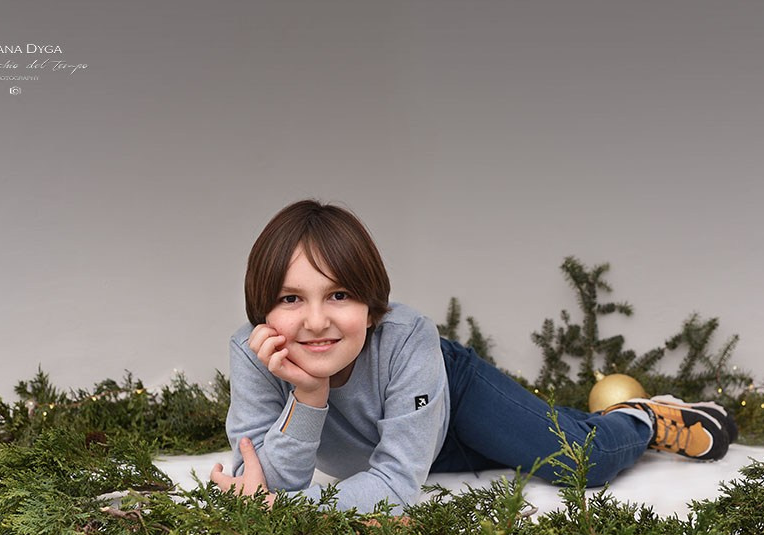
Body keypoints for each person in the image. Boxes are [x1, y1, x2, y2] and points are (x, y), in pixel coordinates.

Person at [210, 199, 736, 512]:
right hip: (419, 446)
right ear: (263, 312)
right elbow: (264, 487)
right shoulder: (254, 354)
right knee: (522, 450)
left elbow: (392, 481)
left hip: (452, 398)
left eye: (339, 295)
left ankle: (641, 417)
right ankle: (608, 420)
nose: (317, 320)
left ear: (371, 307)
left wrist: (293, 513)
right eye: (291, 298)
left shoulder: (405, 336)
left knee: (583, 461)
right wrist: (309, 394)